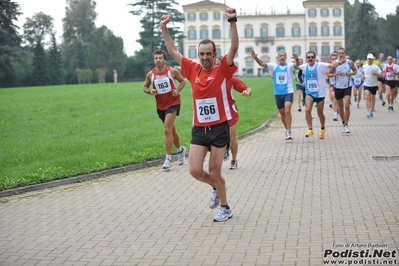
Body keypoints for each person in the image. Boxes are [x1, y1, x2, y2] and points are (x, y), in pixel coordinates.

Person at [160, 8, 238, 222]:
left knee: (214, 170)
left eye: (208, 54)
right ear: (199, 55)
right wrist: (164, 27)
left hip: (219, 128)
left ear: (214, 55)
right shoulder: (193, 69)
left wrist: (232, 21)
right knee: (194, 170)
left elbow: (234, 47)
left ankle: (225, 207)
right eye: (201, 54)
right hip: (200, 130)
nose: (205, 57)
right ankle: (216, 186)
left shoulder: (222, 69)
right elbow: (172, 49)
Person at [142, 50, 187, 170]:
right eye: (156, 58)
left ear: (164, 60)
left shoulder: (172, 71)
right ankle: (180, 150)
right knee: (171, 130)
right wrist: (149, 91)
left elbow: (183, 81)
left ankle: (168, 158)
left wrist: (177, 90)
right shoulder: (151, 75)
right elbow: (145, 87)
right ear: (154, 60)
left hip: (173, 102)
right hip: (160, 105)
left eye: (160, 58)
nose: (158, 60)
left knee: (167, 130)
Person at [250, 49, 300, 140]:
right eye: (280, 55)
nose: (282, 57)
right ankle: (286, 129)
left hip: (288, 92)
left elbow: (297, 65)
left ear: (286, 57)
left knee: (287, 110)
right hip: (278, 93)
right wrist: (255, 57)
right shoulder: (273, 66)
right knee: (282, 113)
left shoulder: (289, 66)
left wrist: (296, 59)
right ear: (278, 57)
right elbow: (262, 64)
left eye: (284, 55)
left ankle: (289, 131)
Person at [215, 56, 252, 170]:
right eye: (215, 64)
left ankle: (234, 159)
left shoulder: (230, 78)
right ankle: (225, 148)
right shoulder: (210, 79)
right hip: (216, 112)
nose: (217, 67)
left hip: (230, 111)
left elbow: (248, 89)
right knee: (217, 138)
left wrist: (246, 92)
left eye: (219, 64)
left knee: (231, 137)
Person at [299, 51, 343, 139]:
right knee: (307, 110)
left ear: (315, 58)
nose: (310, 59)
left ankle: (322, 128)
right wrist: (296, 59)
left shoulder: (320, 65)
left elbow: (332, 66)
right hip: (309, 92)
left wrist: (339, 60)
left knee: (320, 113)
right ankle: (310, 129)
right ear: (306, 59)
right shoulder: (304, 67)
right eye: (308, 57)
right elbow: (295, 67)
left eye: (312, 57)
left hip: (320, 93)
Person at [328, 47, 357, 133]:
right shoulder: (334, 63)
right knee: (341, 107)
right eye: (339, 53)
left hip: (347, 86)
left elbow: (355, 71)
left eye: (342, 53)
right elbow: (328, 74)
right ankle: (343, 123)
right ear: (337, 55)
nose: (341, 55)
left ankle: (346, 125)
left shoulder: (349, 62)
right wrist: (335, 74)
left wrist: (351, 73)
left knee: (347, 106)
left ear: (345, 54)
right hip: (338, 87)